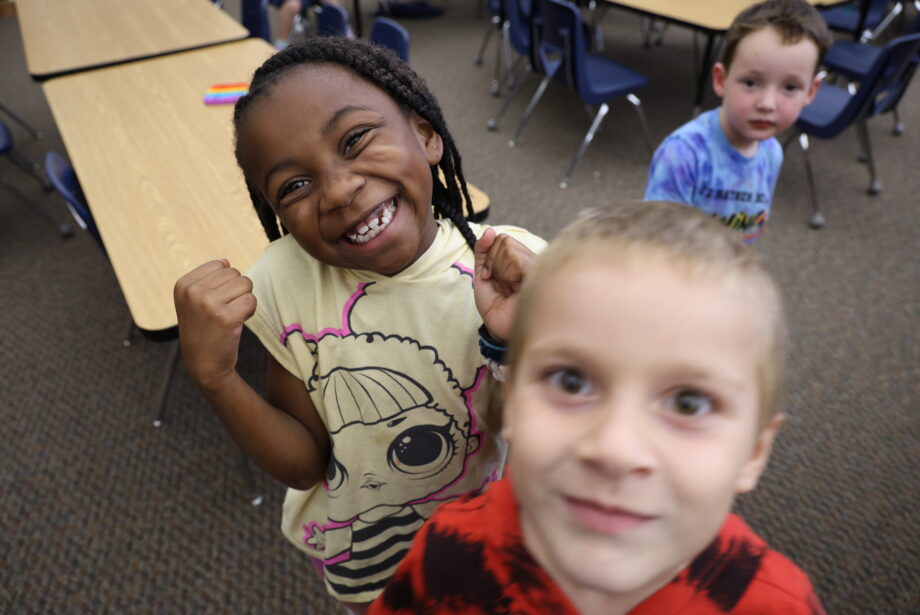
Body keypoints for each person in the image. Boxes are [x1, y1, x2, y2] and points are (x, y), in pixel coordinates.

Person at [173, 38, 544, 612]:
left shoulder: (517, 274)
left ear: (425, 135)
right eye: (295, 186)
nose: (340, 190)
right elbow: (305, 463)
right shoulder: (284, 282)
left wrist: (523, 336)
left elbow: (565, 436)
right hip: (369, 560)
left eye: (355, 141)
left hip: (485, 537)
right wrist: (216, 377)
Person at [369, 200, 826, 615]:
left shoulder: (778, 606)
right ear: (513, 407)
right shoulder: (451, 549)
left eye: (688, 403)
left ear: (753, 452)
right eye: (571, 381)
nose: (615, 449)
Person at [644, 0, 832, 242]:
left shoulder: (771, 151)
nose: (767, 104)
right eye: (751, 83)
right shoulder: (683, 154)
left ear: (810, 92)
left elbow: (750, 227)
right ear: (722, 80)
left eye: (790, 87)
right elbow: (655, 243)